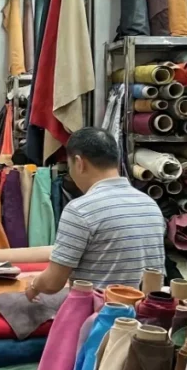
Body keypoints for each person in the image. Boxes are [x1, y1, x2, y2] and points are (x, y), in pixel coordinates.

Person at [26, 127, 166, 300]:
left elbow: (52, 283)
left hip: (102, 311)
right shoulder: (150, 205)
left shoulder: (80, 209)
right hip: (145, 311)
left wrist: (33, 285)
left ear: (79, 163)